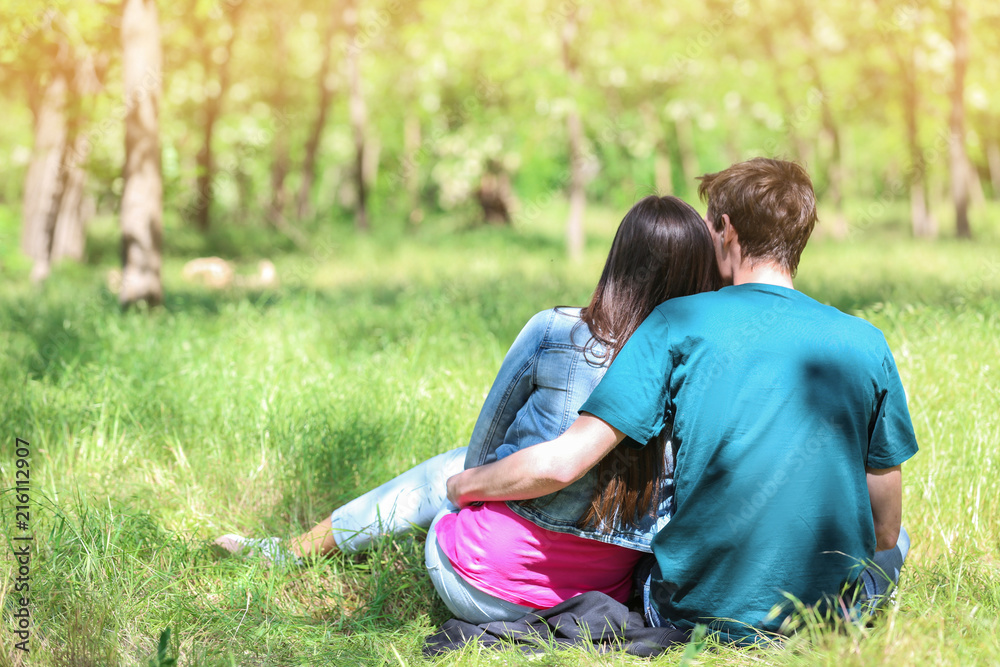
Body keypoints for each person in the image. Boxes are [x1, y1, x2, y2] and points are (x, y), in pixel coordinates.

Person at [446, 158, 919, 643]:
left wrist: (463, 485)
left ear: (726, 229)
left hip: (692, 615)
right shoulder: (866, 342)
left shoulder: (678, 321)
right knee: (898, 541)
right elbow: (883, 531)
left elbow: (567, 460)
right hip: (829, 618)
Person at [215, 195, 720, 623]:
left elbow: (482, 452)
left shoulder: (556, 331)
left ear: (619, 260)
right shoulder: (700, 368)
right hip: (595, 603)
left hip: (477, 584)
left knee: (452, 470)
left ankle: (288, 553)